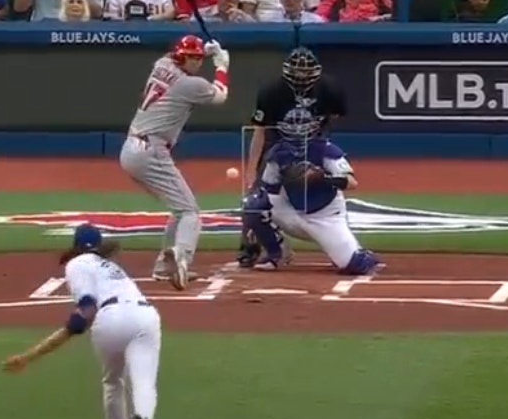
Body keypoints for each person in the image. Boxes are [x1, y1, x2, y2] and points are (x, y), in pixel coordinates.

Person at [3, 224, 160, 419]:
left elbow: (84, 314)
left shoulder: (77, 264)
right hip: (146, 316)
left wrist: (30, 356)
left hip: (112, 318)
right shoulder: (112, 267)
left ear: (76, 246)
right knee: (144, 382)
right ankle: (143, 417)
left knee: (113, 383)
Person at [119, 36, 230, 290]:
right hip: (151, 150)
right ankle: (182, 259)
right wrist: (222, 66)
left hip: (132, 148)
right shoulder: (190, 84)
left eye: (198, 58)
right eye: (192, 58)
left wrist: (205, 50)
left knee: (179, 209)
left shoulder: (162, 64)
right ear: (181, 57)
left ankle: (163, 268)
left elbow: (176, 57)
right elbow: (220, 95)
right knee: (190, 212)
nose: (197, 62)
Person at [237, 47, 347, 269]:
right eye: (297, 72)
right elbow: (259, 132)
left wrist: (319, 146)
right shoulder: (271, 92)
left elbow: (333, 118)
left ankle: (340, 244)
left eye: (306, 72)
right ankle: (254, 248)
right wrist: (251, 171)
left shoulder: (330, 89)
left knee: (326, 191)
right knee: (255, 199)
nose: (301, 76)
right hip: (277, 145)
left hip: (313, 144)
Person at [251, 112, 380, 276]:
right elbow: (269, 189)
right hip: (292, 211)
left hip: (325, 216)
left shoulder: (326, 150)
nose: (297, 132)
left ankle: (351, 251)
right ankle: (277, 253)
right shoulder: (278, 153)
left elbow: (351, 183)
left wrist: (321, 177)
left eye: (301, 128)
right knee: (253, 205)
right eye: (293, 128)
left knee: (356, 265)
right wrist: (292, 179)